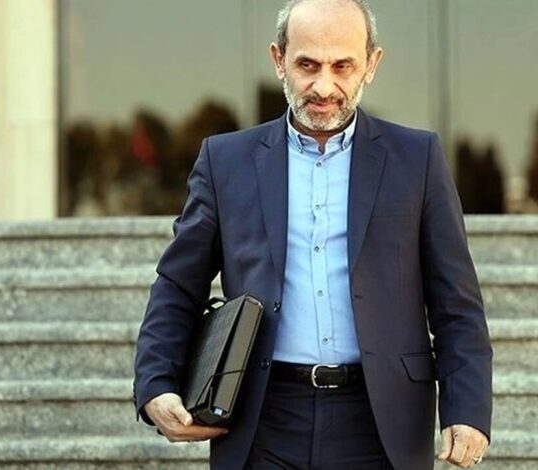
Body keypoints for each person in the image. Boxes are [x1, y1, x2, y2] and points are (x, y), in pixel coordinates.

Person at [133, 1, 492, 468]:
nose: (324, 86)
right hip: (262, 419)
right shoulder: (225, 162)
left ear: (372, 65)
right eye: (307, 65)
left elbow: (455, 302)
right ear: (278, 59)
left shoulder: (417, 159)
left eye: (343, 66)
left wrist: (467, 409)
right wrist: (156, 384)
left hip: (382, 423)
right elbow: (178, 284)